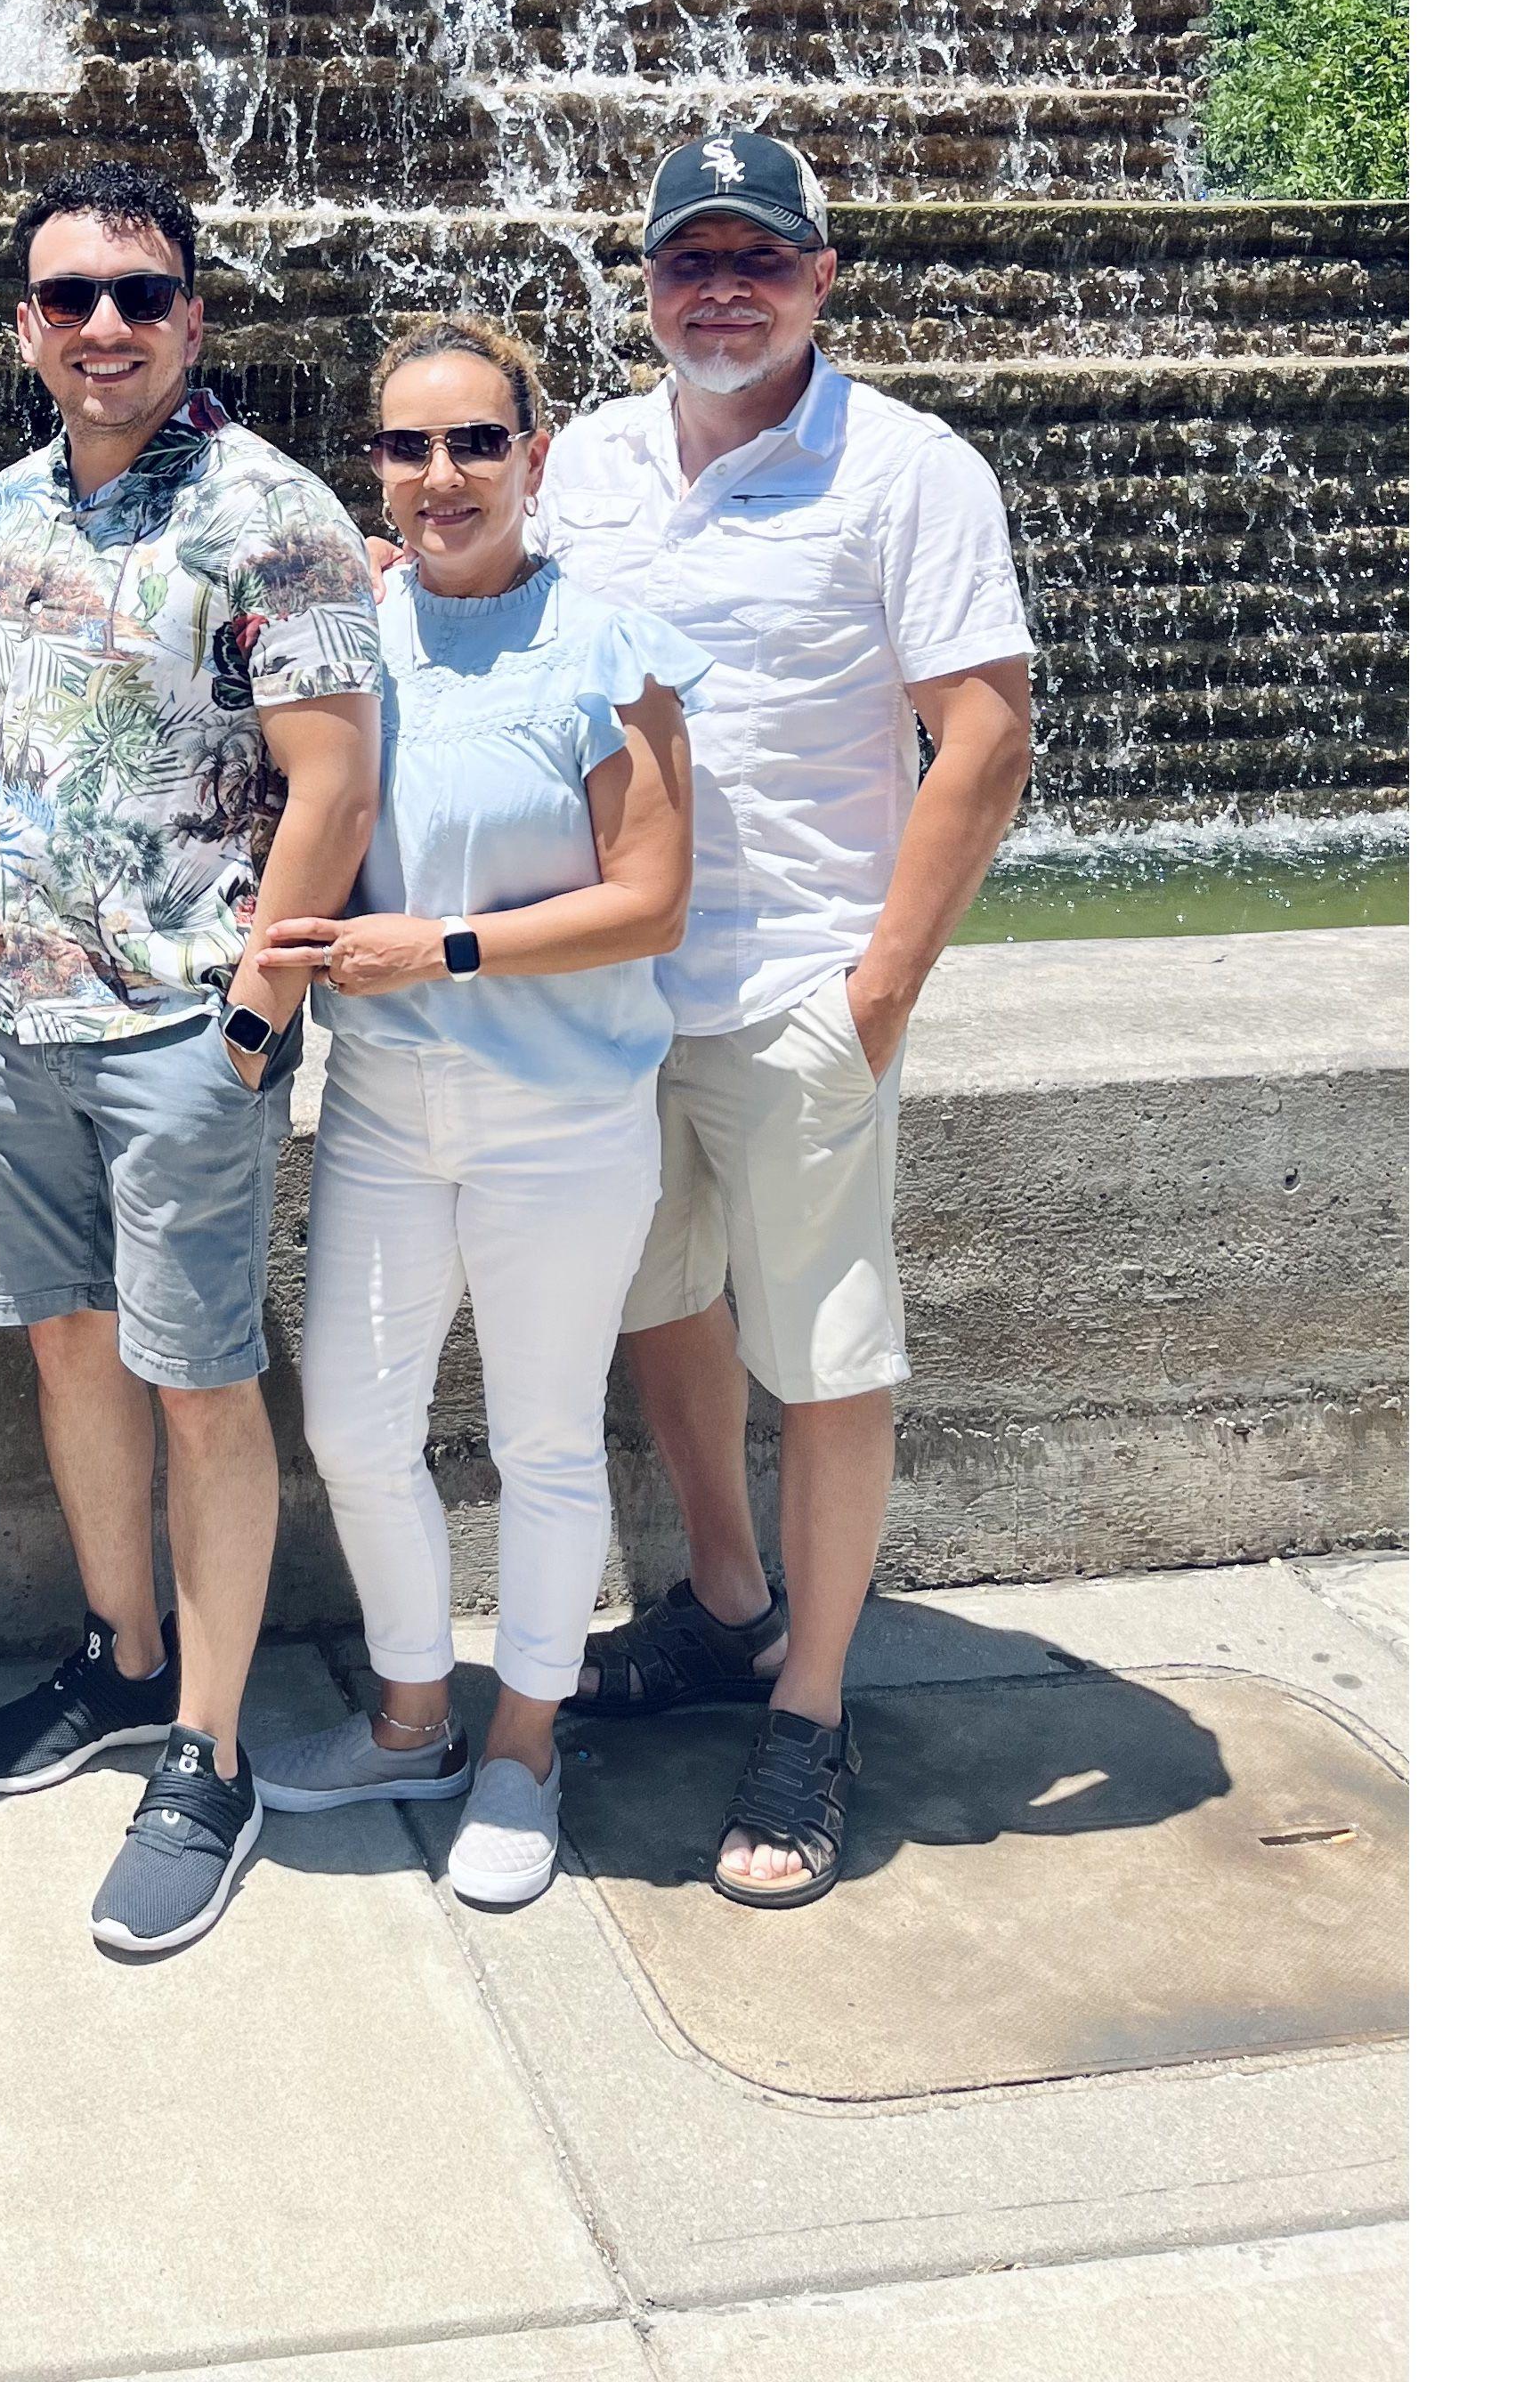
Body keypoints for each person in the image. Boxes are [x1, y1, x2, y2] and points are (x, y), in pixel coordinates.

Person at [544, 131, 1035, 1909]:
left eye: (762, 258)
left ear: (823, 275)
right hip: (615, 990)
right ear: (650, 281)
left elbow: (983, 732)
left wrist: (882, 988)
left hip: (798, 985)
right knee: (662, 1296)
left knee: (827, 1351)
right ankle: (729, 1610)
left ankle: (813, 1713)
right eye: (692, 261)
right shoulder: (583, 461)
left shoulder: (908, 471)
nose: (724, 288)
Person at [0, 157, 385, 1959]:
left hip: (187, 1029)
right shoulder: (13, 502)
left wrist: (253, 1023)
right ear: (29, 327)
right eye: (71, 299)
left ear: (194, 316)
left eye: (139, 295)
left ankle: (209, 1748)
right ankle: (124, 1661)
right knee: (71, 1350)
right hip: (16, 1016)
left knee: (201, 1383)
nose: (105, 326)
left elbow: (337, 781)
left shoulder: (273, 511)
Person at [243, 318, 707, 1911]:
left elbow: (651, 902)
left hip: (565, 1115)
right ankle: (411, 1716)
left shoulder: (611, 646)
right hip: (381, 1108)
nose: (441, 478)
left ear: (536, 451)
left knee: (542, 1440)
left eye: (474, 443)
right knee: (354, 1426)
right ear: (372, 465)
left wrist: (430, 947)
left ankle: (523, 1745)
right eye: (406, 447)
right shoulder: (348, 632)